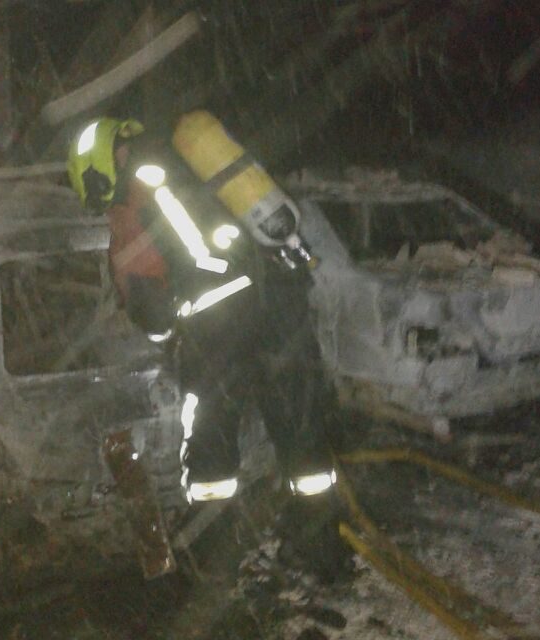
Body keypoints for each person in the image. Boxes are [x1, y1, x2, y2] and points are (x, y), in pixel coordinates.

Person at [66, 112, 348, 581]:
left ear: (97, 172)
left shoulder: (135, 201)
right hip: (280, 308)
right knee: (302, 435)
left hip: (218, 331)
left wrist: (155, 317)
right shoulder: (189, 165)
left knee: (212, 451)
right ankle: (325, 557)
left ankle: (218, 569)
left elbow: (153, 314)